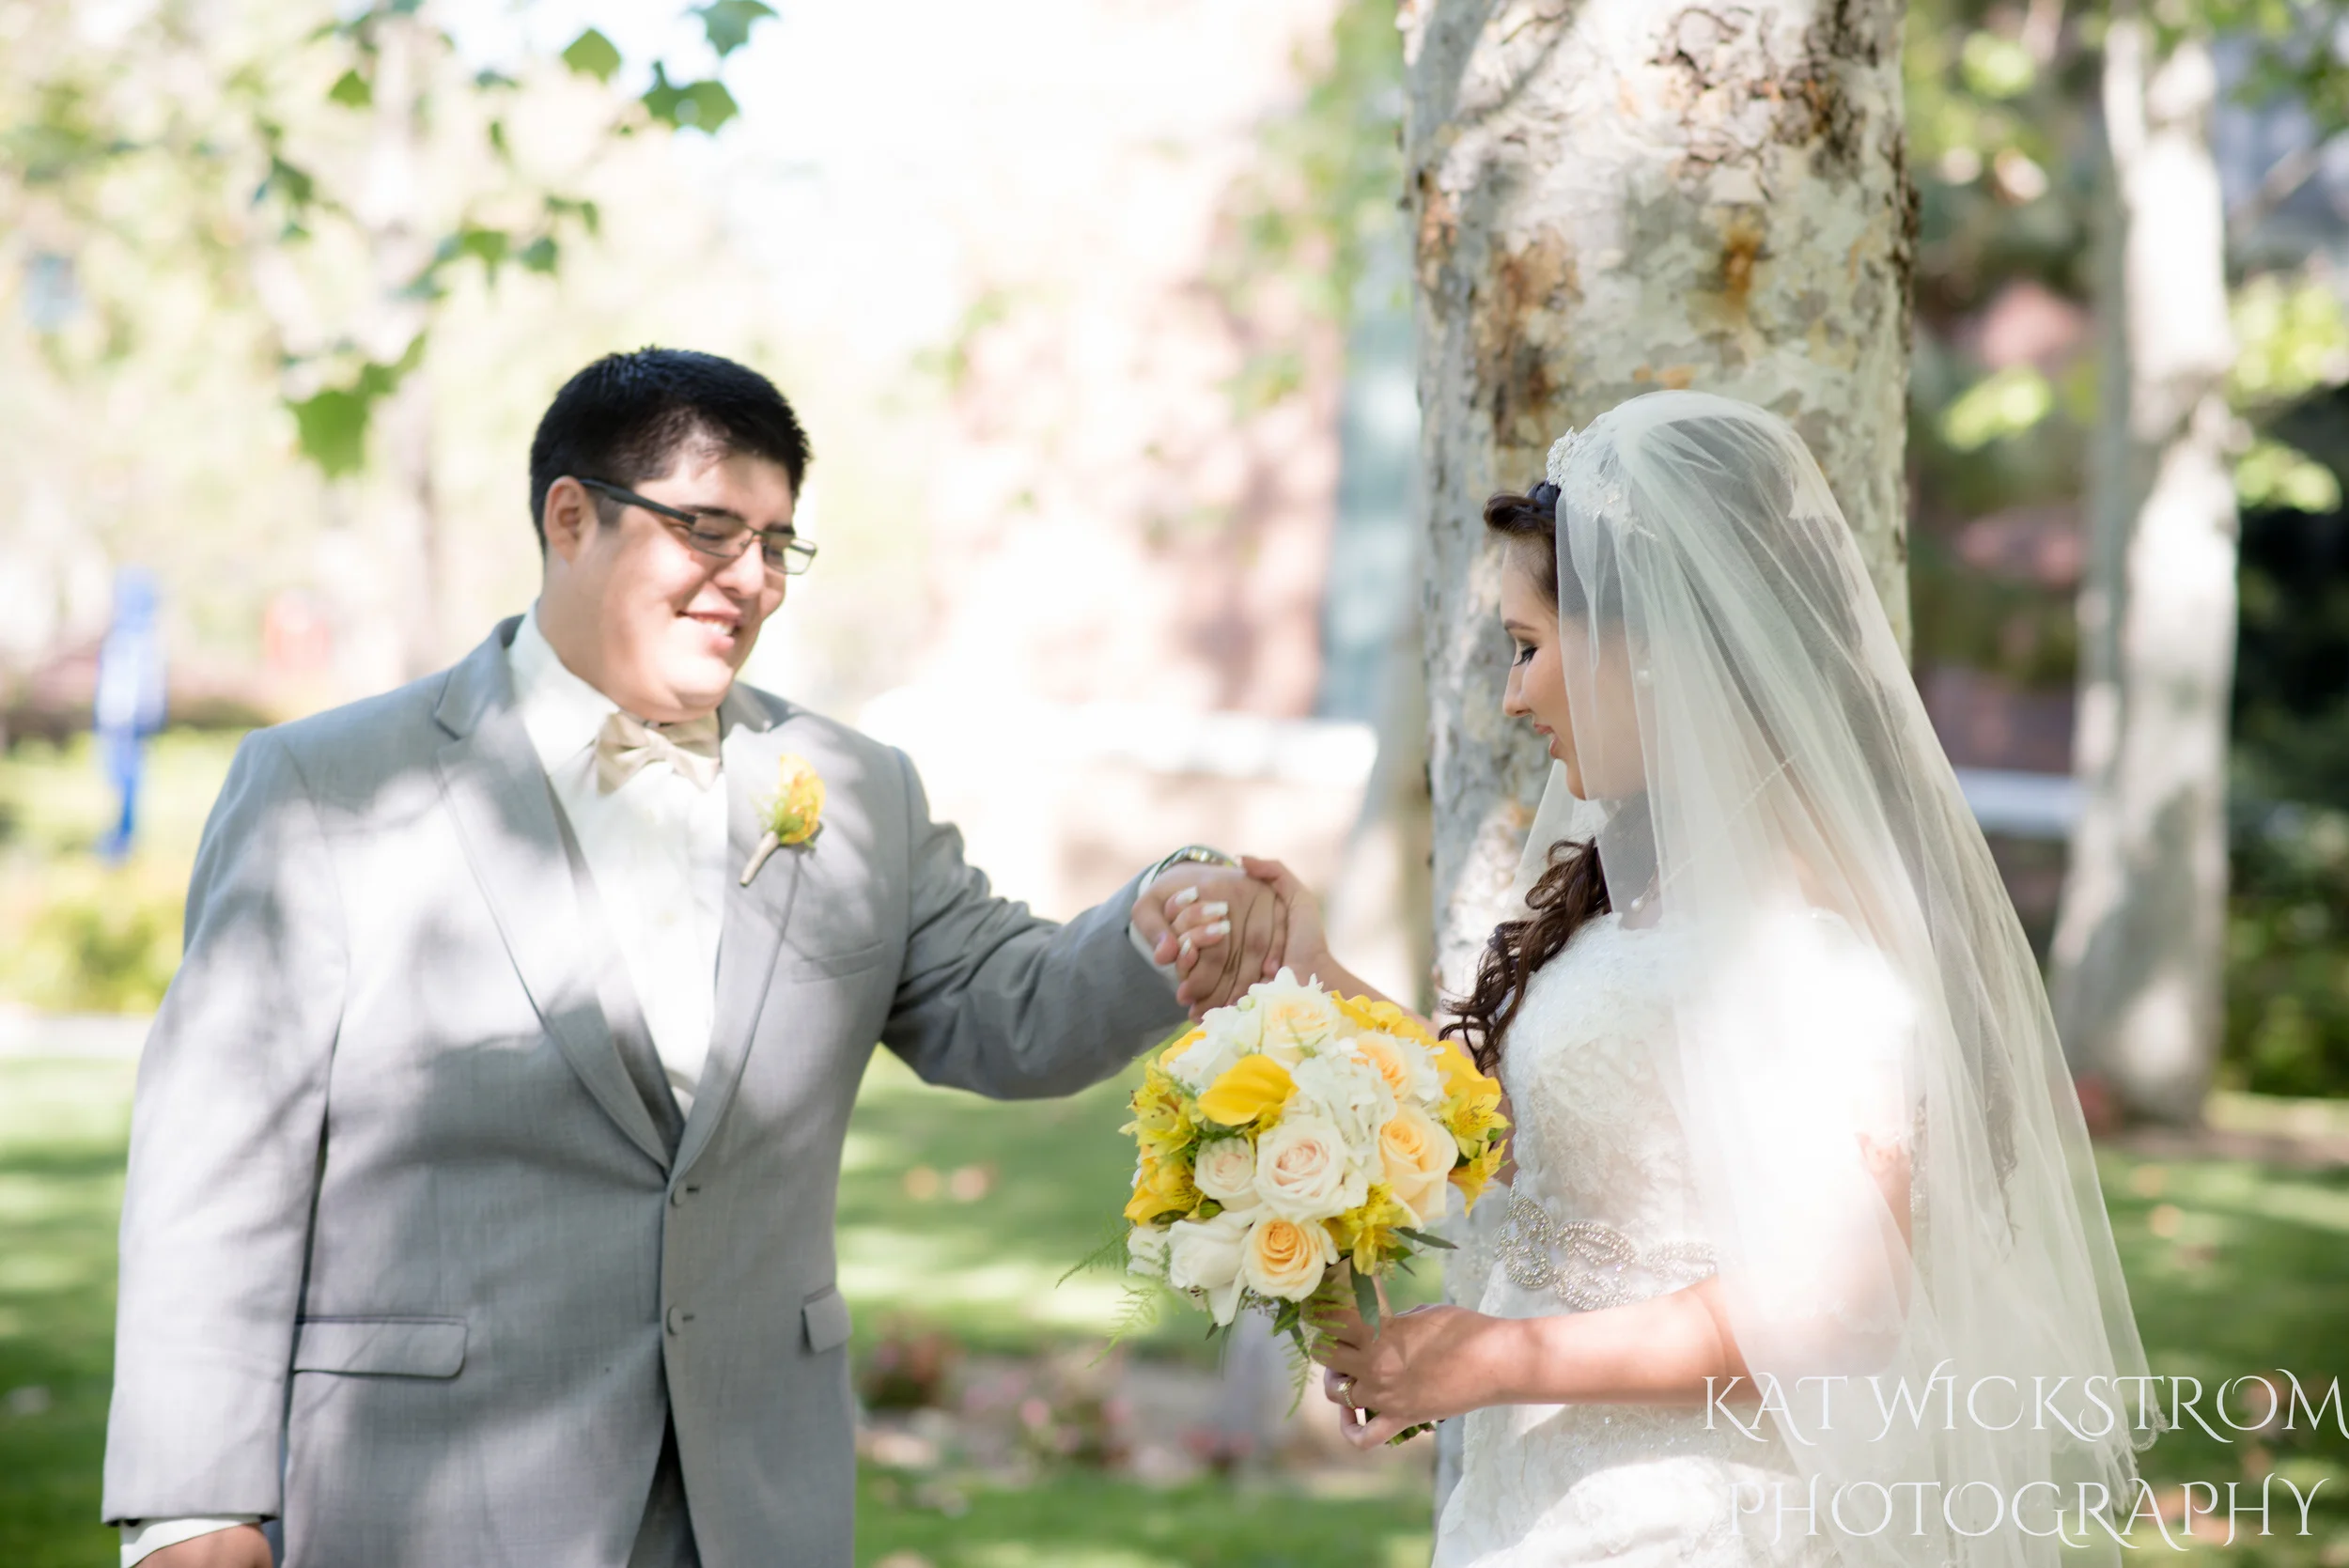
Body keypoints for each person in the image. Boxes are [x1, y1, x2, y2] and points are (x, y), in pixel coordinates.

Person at [101, 348, 1286, 1568]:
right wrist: (194, 1509)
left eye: (776, 544)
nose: (753, 580)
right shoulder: (326, 789)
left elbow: (1009, 1008)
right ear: (573, 517)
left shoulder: (854, 791)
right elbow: (217, 1165)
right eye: (710, 529)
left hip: (751, 1503)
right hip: (426, 1498)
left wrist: (1165, 918)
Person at [1187, 392, 2160, 1566]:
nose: (1513, 693)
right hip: (1543, 1495)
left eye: (1530, 647)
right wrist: (1317, 970)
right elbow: (1517, 1124)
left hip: (1702, 1515)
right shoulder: (1648, 880)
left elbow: (1837, 1302)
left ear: (1646, 648)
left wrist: (1490, 1355)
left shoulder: (1802, 936)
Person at [94, 566, 168, 862]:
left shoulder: (142, 638)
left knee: (127, 784)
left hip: (129, 722)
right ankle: (115, 836)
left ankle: (122, 842)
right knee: (112, 780)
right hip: (115, 721)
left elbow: (145, 685)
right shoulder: (121, 634)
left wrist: (140, 717)